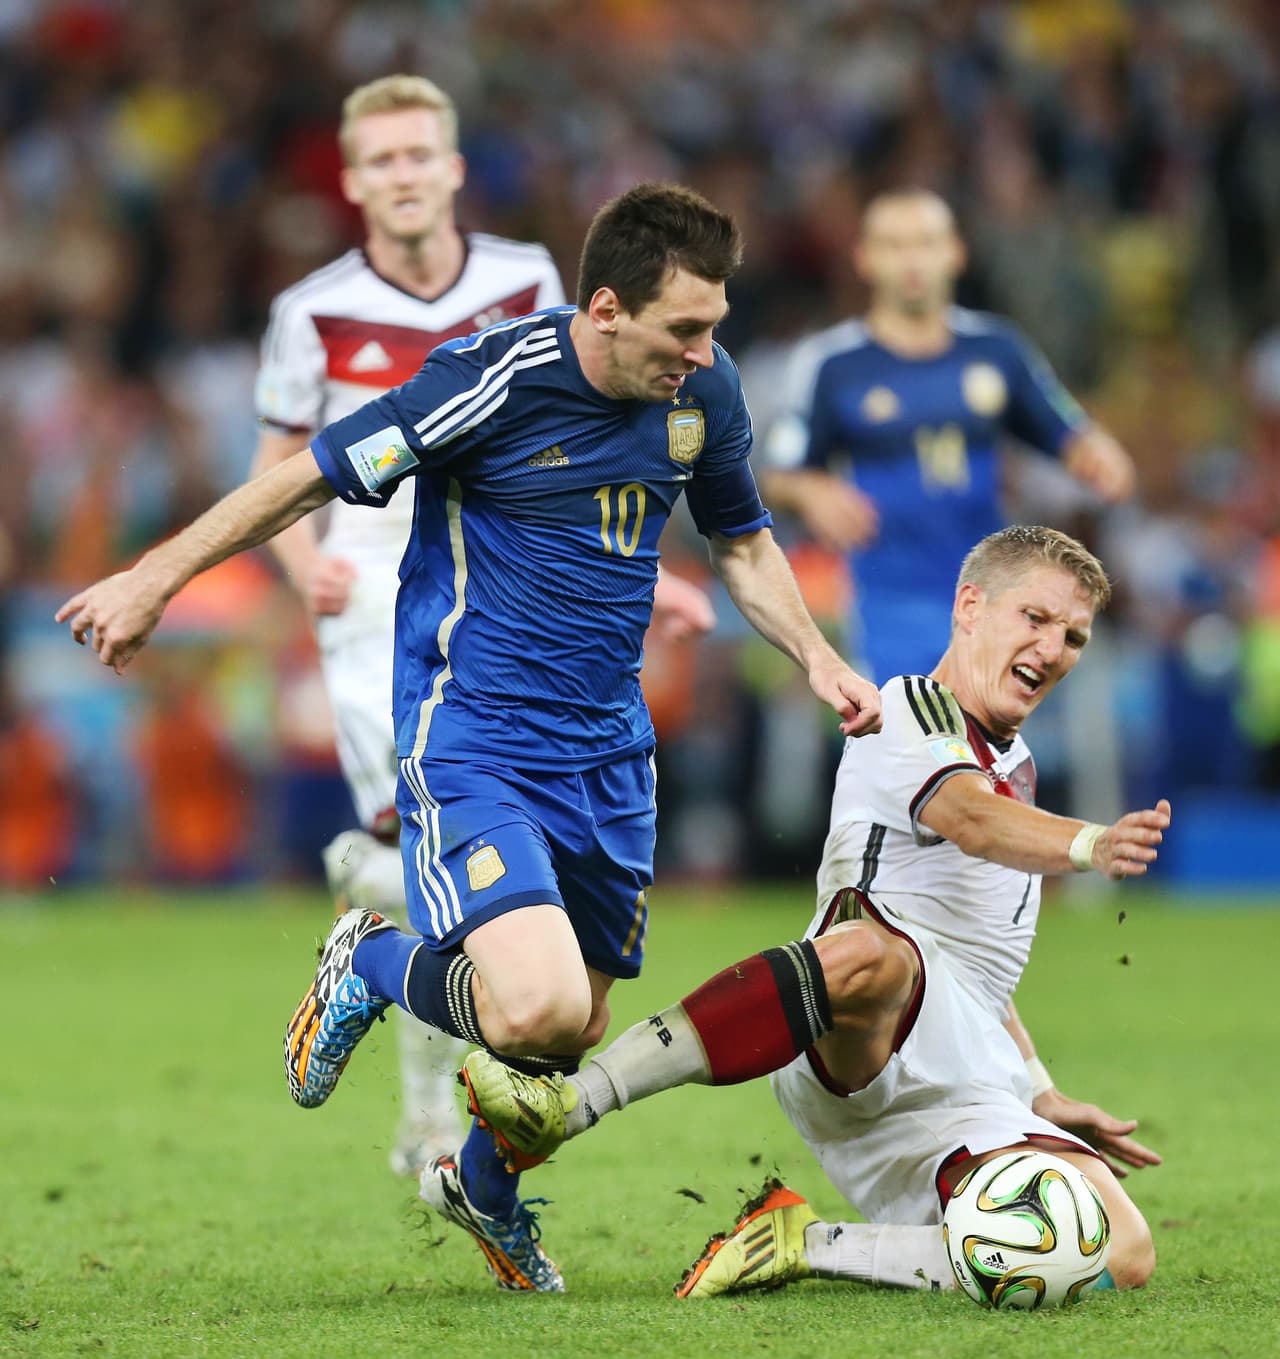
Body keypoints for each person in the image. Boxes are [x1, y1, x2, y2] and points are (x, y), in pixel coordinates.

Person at [56, 181, 882, 1295]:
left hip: (609, 754)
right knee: (537, 1005)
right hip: (476, 736)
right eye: (683, 328)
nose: (702, 352)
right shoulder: (489, 382)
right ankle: (370, 957)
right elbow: (302, 478)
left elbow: (739, 541)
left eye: (713, 328)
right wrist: (154, 578)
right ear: (604, 310)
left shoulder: (704, 390)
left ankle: (481, 1192)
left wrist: (818, 659)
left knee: (566, 1033)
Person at [460, 525, 1168, 1298]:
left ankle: (805, 1242)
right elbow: (968, 817)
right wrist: (1092, 843)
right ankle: (573, 1102)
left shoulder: (1015, 769)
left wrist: (1038, 1088)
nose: (1053, 648)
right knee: (876, 954)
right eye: (1035, 617)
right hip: (855, 1032)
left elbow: (974, 971)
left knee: (1120, 1249)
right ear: (970, 606)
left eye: (1073, 635)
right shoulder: (908, 711)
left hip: (961, 1079)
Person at [250, 75, 717, 1179]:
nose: (404, 175)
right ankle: (426, 1117)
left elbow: (592, 439)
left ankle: (419, 1066)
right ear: (353, 181)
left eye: (421, 154)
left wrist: (652, 578)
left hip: (507, 584)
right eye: (383, 160)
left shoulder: (525, 281)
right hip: (377, 597)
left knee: (454, 891)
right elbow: (279, 466)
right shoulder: (311, 311)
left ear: (454, 168)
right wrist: (307, 568)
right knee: (421, 851)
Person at [761, 188, 1136, 682]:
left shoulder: (997, 350)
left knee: (984, 729)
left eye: (926, 242)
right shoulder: (833, 365)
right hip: (887, 603)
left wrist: (1097, 453)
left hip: (992, 599)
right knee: (909, 724)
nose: (912, 260)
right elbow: (777, 475)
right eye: (894, 245)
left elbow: (1068, 431)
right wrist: (811, 491)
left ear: (956, 252)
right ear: (864, 259)